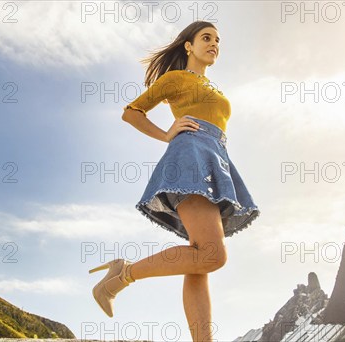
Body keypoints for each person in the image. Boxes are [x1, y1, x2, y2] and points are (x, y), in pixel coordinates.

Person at [88, 20, 261, 342]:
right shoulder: (176, 78)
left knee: (200, 258)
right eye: (206, 38)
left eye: (218, 40)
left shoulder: (215, 87)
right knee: (213, 256)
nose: (214, 44)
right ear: (188, 46)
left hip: (215, 159)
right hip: (190, 158)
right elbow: (132, 112)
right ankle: (120, 276)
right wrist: (167, 134)